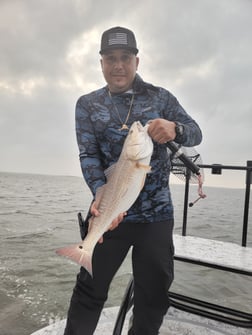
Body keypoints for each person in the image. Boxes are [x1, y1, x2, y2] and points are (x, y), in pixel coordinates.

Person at [63, 26, 202, 335]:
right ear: (101, 63)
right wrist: (100, 191)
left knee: (153, 296)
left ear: (136, 61)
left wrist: (175, 128)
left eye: (125, 57)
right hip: (108, 211)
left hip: (156, 215)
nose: (118, 66)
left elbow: (196, 132)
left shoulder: (161, 97)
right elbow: (88, 155)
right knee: (88, 292)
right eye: (110, 58)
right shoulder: (87, 105)